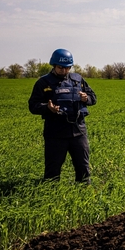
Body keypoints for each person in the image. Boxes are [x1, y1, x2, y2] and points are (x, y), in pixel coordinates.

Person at [28, 48, 97, 183]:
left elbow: (93, 98)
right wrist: (47, 108)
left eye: (67, 68)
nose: (64, 71)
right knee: (52, 170)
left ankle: (84, 194)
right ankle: (50, 196)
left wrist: (85, 98)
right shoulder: (43, 82)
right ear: (54, 65)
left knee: (83, 167)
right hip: (55, 133)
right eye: (61, 68)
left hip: (78, 131)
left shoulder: (78, 80)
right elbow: (33, 105)